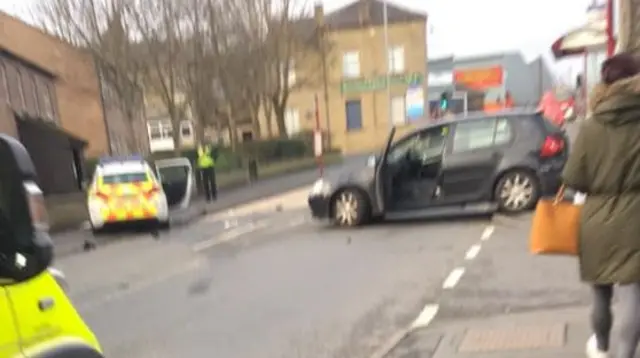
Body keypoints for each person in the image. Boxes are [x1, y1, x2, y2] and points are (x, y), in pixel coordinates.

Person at [561, 52, 640, 358]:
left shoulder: (592, 127)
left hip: (596, 221)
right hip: (636, 220)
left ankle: (602, 349)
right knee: (633, 293)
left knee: (601, 295)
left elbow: (574, 179)